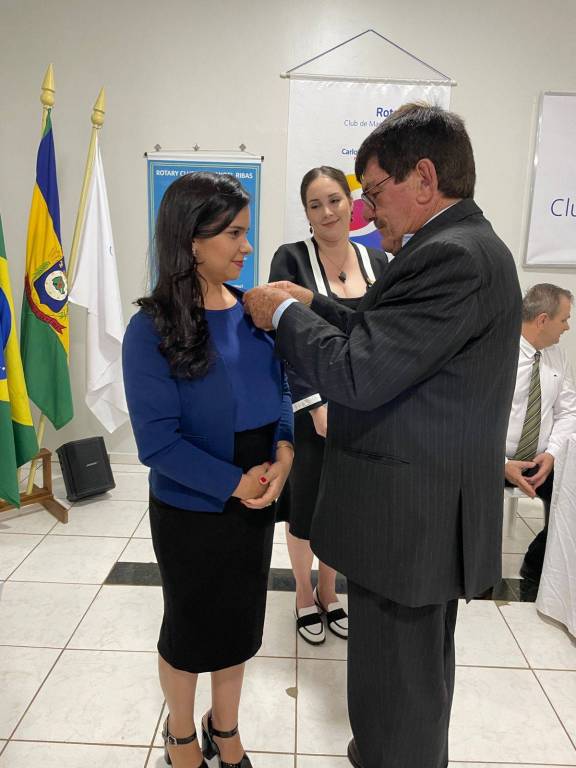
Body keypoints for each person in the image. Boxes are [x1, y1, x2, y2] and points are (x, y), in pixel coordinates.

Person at [244, 103, 522, 768]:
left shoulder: (451, 256)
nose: (365, 212)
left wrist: (282, 314)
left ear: (423, 178)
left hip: (410, 521)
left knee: (401, 695)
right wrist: (315, 303)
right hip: (414, 517)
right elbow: (388, 334)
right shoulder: (455, 245)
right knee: (401, 683)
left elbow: (359, 373)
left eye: (372, 192)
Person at [122, 172, 293, 768]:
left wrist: (285, 454)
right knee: (190, 627)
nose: (248, 246)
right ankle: (180, 737)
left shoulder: (255, 312)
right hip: (192, 506)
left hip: (257, 496)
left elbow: (282, 392)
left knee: (239, 624)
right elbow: (157, 443)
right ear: (192, 240)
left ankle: (225, 729)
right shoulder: (150, 329)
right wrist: (234, 483)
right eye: (235, 234)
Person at [269, 166, 387, 644]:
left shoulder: (379, 260)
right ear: (306, 212)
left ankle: (329, 589)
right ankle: (302, 591)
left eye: (335, 200)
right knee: (306, 506)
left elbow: (384, 336)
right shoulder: (290, 258)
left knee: (343, 506)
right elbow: (283, 333)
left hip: (365, 409)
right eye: (315, 205)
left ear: (351, 203)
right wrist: (316, 405)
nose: (327, 212)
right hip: (311, 409)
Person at [505, 283, 576, 585]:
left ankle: (535, 567)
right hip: (493, 460)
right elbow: (473, 418)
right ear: (543, 320)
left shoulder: (557, 356)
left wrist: (552, 454)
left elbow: (568, 412)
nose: (567, 327)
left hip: (541, 461)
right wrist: (500, 463)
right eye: (564, 319)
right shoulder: (498, 353)